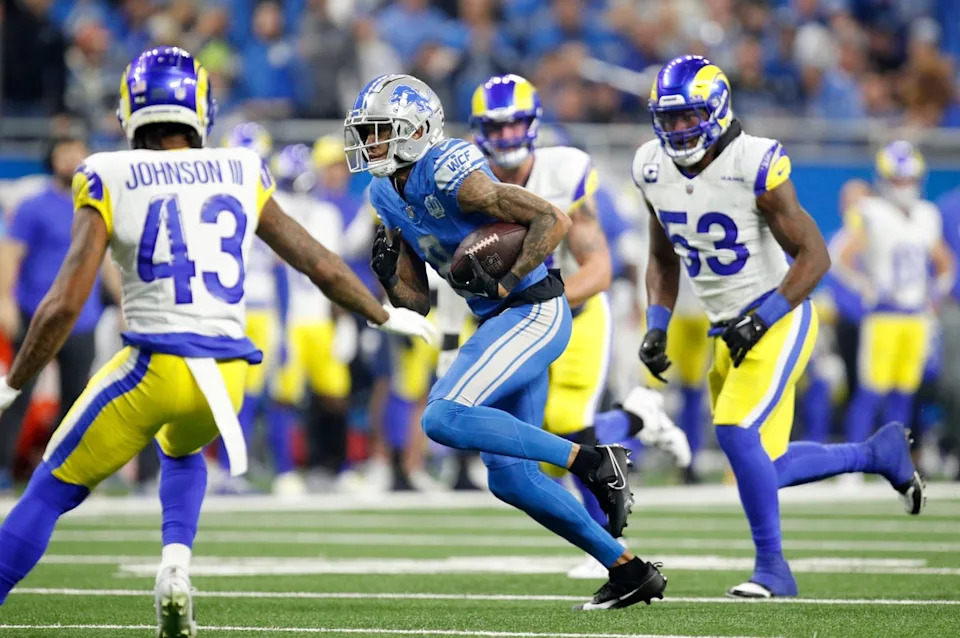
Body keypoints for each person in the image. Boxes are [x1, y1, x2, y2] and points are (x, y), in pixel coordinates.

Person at [0, 47, 435, 637]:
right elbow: (319, 264)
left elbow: (63, 304)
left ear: (131, 108)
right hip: (227, 374)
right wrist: (382, 315)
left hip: (152, 366)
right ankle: (175, 567)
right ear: (199, 107)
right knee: (181, 453)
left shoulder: (107, 172)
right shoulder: (239, 169)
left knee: (50, 488)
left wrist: (13, 380)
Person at [347, 72, 666, 609]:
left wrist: (504, 279)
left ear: (416, 130)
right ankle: (628, 569)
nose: (369, 143)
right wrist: (386, 276)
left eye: (380, 131)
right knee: (511, 480)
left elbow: (552, 219)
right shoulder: (383, 190)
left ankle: (592, 461)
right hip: (497, 320)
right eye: (367, 132)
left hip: (533, 308)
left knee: (441, 417)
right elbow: (416, 301)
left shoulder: (452, 171)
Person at [636, 55, 925, 598]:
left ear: (717, 111)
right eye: (668, 118)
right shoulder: (651, 166)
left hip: (778, 315)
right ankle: (876, 454)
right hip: (726, 325)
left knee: (734, 432)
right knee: (763, 463)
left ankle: (774, 569)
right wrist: (657, 324)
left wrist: (762, 316)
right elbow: (662, 256)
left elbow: (815, 257)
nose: (677, 129)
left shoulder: (755, 164)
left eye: (688, 116)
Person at [451, 74, 688, 579]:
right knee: (523, 444)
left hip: (574, 313)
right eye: (496, 127)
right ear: (477, 131)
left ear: (534, 124)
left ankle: (604, 544)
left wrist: (536, 298)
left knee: (564, 429)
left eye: (516, 124)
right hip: (508, 320)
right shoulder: (467, 183)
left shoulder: (564, 171)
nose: (508, 137)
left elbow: (598, 269)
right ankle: (632, 420)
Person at [0, 137, 117, 488]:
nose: (71, 160)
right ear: (52, 159)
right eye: (64, 153)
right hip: (37, 315)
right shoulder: (33, 206)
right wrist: (4, 299)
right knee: (16, 393)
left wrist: (124, 303)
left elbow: (108, 262)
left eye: (77, 153)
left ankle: (61, 475)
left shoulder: (98, 205)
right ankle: (3, 467)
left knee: (76, 402)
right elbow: (11, 254)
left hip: (83, 318)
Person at [839, 142, 955, 443]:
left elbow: (945, 263)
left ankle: (895, 460)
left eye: (910, 178)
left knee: (904, 393)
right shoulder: (871, 211)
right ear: (884, 179)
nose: (905, 186)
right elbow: (841, 256)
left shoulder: (927, 213)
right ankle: (852, 462)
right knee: (871, 392)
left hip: (915, 315)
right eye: (898, 179)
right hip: (883, 314)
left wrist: (936, 294)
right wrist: (864, 286)